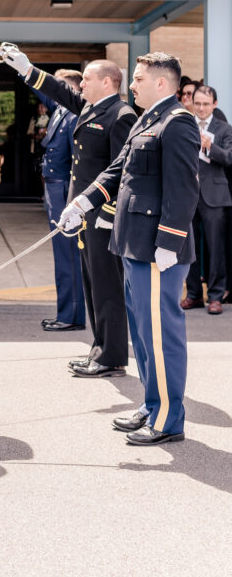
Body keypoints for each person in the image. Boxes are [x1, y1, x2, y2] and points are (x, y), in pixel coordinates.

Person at [59, 52, 200, 445]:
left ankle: (169, 419)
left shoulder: (178, 123)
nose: (132, 85)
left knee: (160, 335)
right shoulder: (146, 119)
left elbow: (184, 187)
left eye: (138, 79)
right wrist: (82, 203)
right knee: (142, 335)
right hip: (133, 246)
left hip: (157, 250)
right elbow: (117, 170)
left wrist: (170, 242)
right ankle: (152, 404)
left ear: (161, 83)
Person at [1, 47, 136, 378]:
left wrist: (103, 213)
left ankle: (112, 356)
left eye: (87, 79)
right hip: (84, 216)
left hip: (102, 216)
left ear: (107, 82)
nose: (82, 85)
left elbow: (122, 172)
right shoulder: (93, 108)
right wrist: (28, 69)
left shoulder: (121, 116)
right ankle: (101, 348)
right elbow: (61, 91)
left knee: (107, 288)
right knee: (92, 286)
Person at [35, 70, 86, 332]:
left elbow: (76, 165)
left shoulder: (73, 114)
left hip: (65, 191)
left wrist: (72, 202)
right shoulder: (61, 110)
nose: (54, 89)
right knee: (61, 256)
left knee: (68, 257)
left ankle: (71, 315)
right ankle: (66, 312)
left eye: (59, 85)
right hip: (54, 191)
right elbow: (40, 88)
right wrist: (22, 68)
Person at [181, 85, 232, 315]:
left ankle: (215, 296)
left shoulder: (224, 128)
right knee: (189, 247)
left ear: (214, 105)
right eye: (197, 103)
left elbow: (229, 158)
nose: (201, 108)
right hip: (188, 193)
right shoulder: (184, 124)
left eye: (205, 104)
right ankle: (193, 295)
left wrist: (211, 147)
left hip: (214, 195)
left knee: (215, 247)